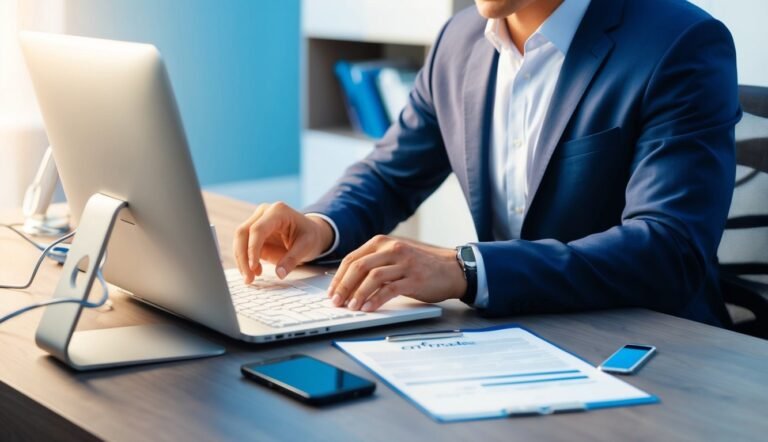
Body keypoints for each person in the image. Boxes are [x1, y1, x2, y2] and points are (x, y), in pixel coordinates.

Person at [233, 0, 740, 326]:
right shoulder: (458, 41)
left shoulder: (679, 42)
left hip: (652, 345)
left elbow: (669, 249)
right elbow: (389, 175)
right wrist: (320, 228)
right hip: (511, 335)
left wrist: (466, 269)